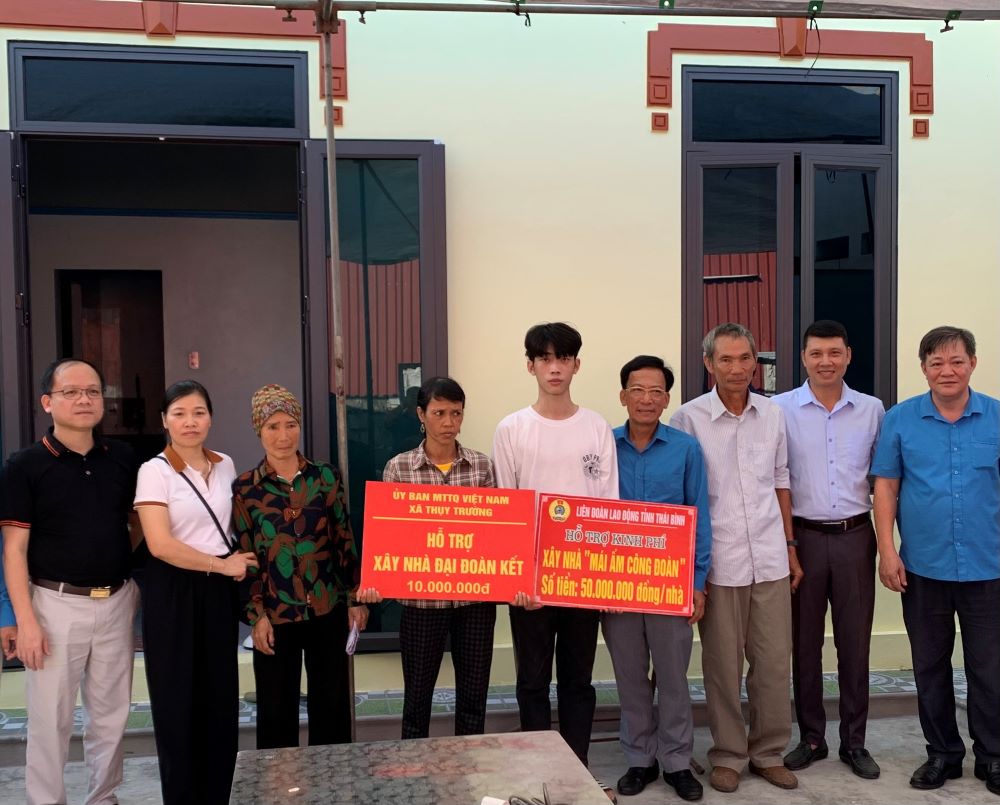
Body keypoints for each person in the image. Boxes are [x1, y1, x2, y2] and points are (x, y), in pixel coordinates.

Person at [0, 358, 141, 805]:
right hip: (53, 604)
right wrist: (25, 622)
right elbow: (14, 550)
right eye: (71, 392)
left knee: (111, 715)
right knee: (50, 720)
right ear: (48, 402)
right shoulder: (24, 465)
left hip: (117, 599)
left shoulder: (122, 459)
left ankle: (104, 798)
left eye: (93, 391)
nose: (84, 399)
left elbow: (138, 526)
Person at [670, 322, 803, 794]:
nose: (737, 368)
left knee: (771, 662)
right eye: (725, 359)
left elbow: (781, 480)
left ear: (755, 363)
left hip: (768, 556)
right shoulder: (687, 419)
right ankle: (728, 754)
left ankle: (768, 752)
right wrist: (692, 571)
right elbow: (683, 499)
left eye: (745, 359)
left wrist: (790, 547)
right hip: (720, 560)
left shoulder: (773, 414)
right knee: (722, 666)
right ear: (709, 364)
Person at [871, 325, 1000, 795]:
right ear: (923, 367)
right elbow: (886, 485)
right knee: (930, 664)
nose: (947, 371)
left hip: (990, 566)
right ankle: (942, 753)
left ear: (973, 363)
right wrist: (887, 551)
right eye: (937, 363)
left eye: (957, 361)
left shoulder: (997, 418)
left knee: (990, 667)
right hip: (923, 566)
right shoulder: (901, 420)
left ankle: (993, 755)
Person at [492, 322, 618, 770]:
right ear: (530, 366)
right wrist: (517, 577)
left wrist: (604, 581)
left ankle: (576, 770)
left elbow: (608, 506)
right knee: (531, 680)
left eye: (563, 358)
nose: (554, 367)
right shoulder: (511, 428)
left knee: (578, 681)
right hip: (530, 583)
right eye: (544, 358)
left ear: (577, 365)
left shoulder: (597, 427)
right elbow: (508, 508)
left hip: (582, 579)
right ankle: (536, 770)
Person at [134, 380, 258, 805]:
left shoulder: (224, 463)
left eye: (199, 412)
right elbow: (160, 544)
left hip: (219, 594)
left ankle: (221, 793)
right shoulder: (154, 471)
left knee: (219, 696)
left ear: (211, 417)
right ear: (165, 420)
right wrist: (222, 565)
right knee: (176, 700)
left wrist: (234, 565)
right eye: (180, 413)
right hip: (173, 591)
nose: (190, 422)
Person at [773, 320, 884, 780]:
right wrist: (788, 544)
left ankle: (854, 742)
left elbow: (885, 480)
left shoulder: (873, 409)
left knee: (855, 644)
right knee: (804, 643)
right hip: (804, 539)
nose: (826, 362)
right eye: (816, 353)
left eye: (834, 353)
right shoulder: (779, 410)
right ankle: (812, 737)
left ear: (848, 356)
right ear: (803, 358)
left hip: (857, 536)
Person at [358, 376, 497, 739]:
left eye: (456, 413)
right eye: (439, 413)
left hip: (475, 599)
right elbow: (387, 537)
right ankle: (414, 776)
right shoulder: (399, 468)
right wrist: (376, 580)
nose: (448, 423)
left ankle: (468, 773)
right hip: (421, 600)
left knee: (474, 697)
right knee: (417, 700)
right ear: (421, 414)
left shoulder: (481, 467)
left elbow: (494, 535)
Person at [233, 384, 367, 749]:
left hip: (327, 608)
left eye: (290, 424)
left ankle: (334, 785)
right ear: (258, 429)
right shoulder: (246, 488)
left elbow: (343, 538)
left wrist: (355, 597)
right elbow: (245, 555)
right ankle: (279, 790)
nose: (283, 435)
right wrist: (256, 614)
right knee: (276, 710)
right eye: (272, 426)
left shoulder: (325, 477)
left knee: (332, 706)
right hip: (276, 614)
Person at [604, 355, 711, 802]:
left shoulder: (686, 449)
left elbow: (700, 516)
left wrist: (698, 581)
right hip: (616, 586)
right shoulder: (602, 447)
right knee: (629, 677)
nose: (646, 399)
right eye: (637, 390)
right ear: (623, 395)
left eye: (656, 391)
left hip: (671, 583)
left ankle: (677, 762)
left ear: (667, 398)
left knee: (672, 678)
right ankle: (639, 759)